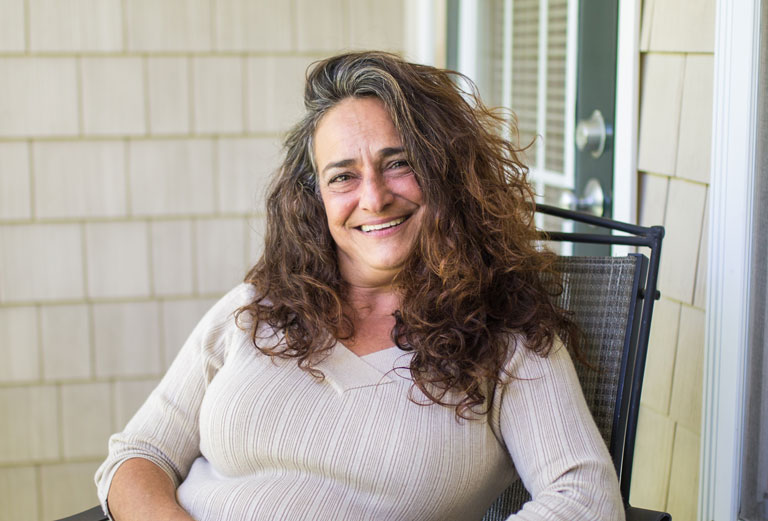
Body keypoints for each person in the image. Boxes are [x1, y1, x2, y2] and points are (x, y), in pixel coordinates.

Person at [95, 51, 624, 521]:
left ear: (447, 174)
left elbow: (584, 496)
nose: (373, 198)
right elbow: (140, 454)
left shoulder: (505, 338)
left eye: (399, 164)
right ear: (315, 198)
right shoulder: (255, 309)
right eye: (342, 176)